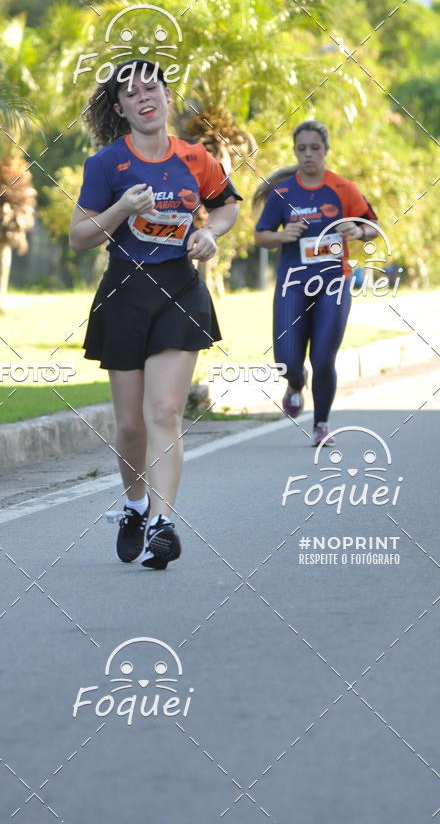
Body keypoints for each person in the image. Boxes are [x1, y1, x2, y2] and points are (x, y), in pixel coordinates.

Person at [70, 59, 240, 569]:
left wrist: (211, 232)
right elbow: (79, 238)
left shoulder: (195, 157)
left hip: (179, 289)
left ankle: (164, 525)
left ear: (167, 97)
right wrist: (121, 209)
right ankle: (135, 505)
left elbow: (226, 205)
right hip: (124, 290)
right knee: (130, 427)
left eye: (152, 87)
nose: (144, 97)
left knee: (164, 412)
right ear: (119, 108)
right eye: (131, 92)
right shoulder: (105, 165)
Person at [253, 120, 379, 446]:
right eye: (302, 149)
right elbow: (260, 237)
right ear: (295, 151)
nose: (309, 155)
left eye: (315, 148)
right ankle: (295, 383)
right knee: (287, 360)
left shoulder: (342, 189)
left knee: (323, 357)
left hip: (333, 284)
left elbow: (374, 227)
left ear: (326, 150)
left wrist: (358, 230)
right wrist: (282, 235)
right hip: (293, 285)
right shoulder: (283, 193)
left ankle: (321, 423)